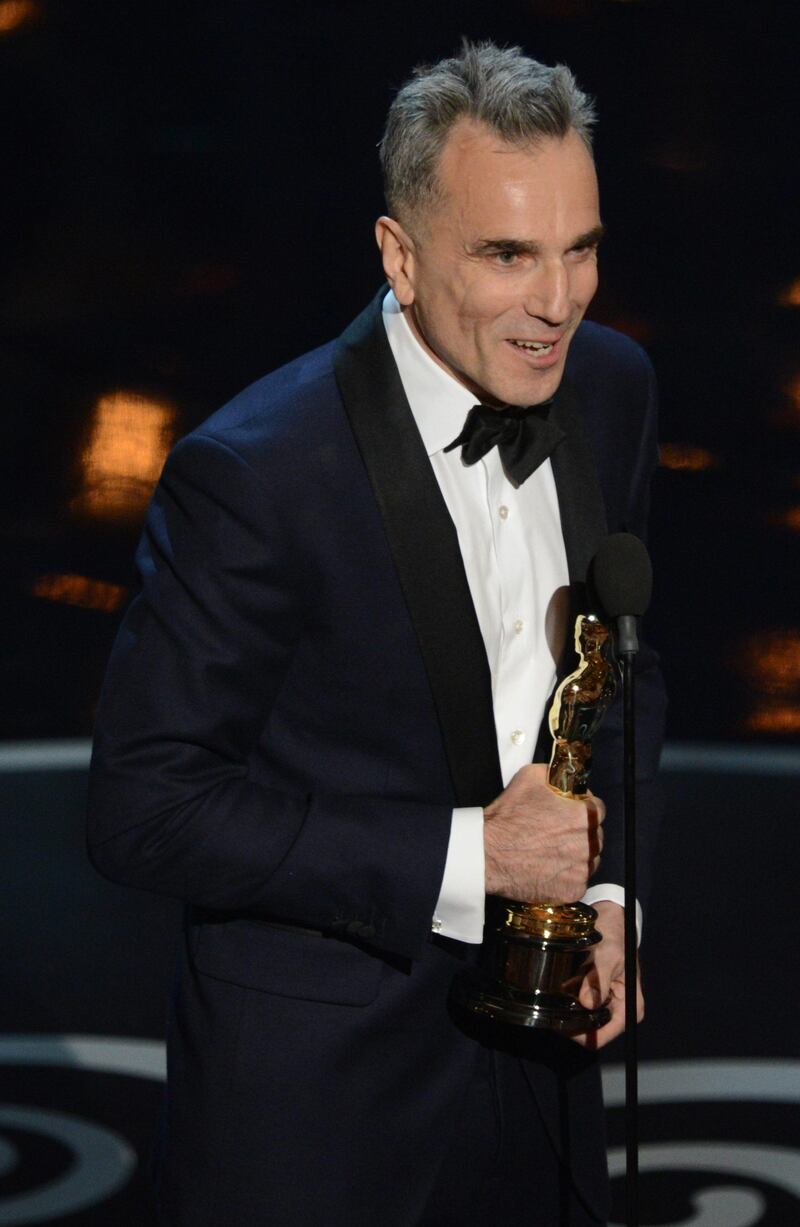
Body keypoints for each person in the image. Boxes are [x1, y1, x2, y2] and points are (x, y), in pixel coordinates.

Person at [88, 40, 666, 1227]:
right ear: (399, 256)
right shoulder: (257, 474)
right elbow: (143, 807)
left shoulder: (611, 390)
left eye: (579, 250)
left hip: (546, 1092)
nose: (554, 302)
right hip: (319, 1116)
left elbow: (624, 680)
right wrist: (467, 860)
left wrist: (608, 894)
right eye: (506, 255)